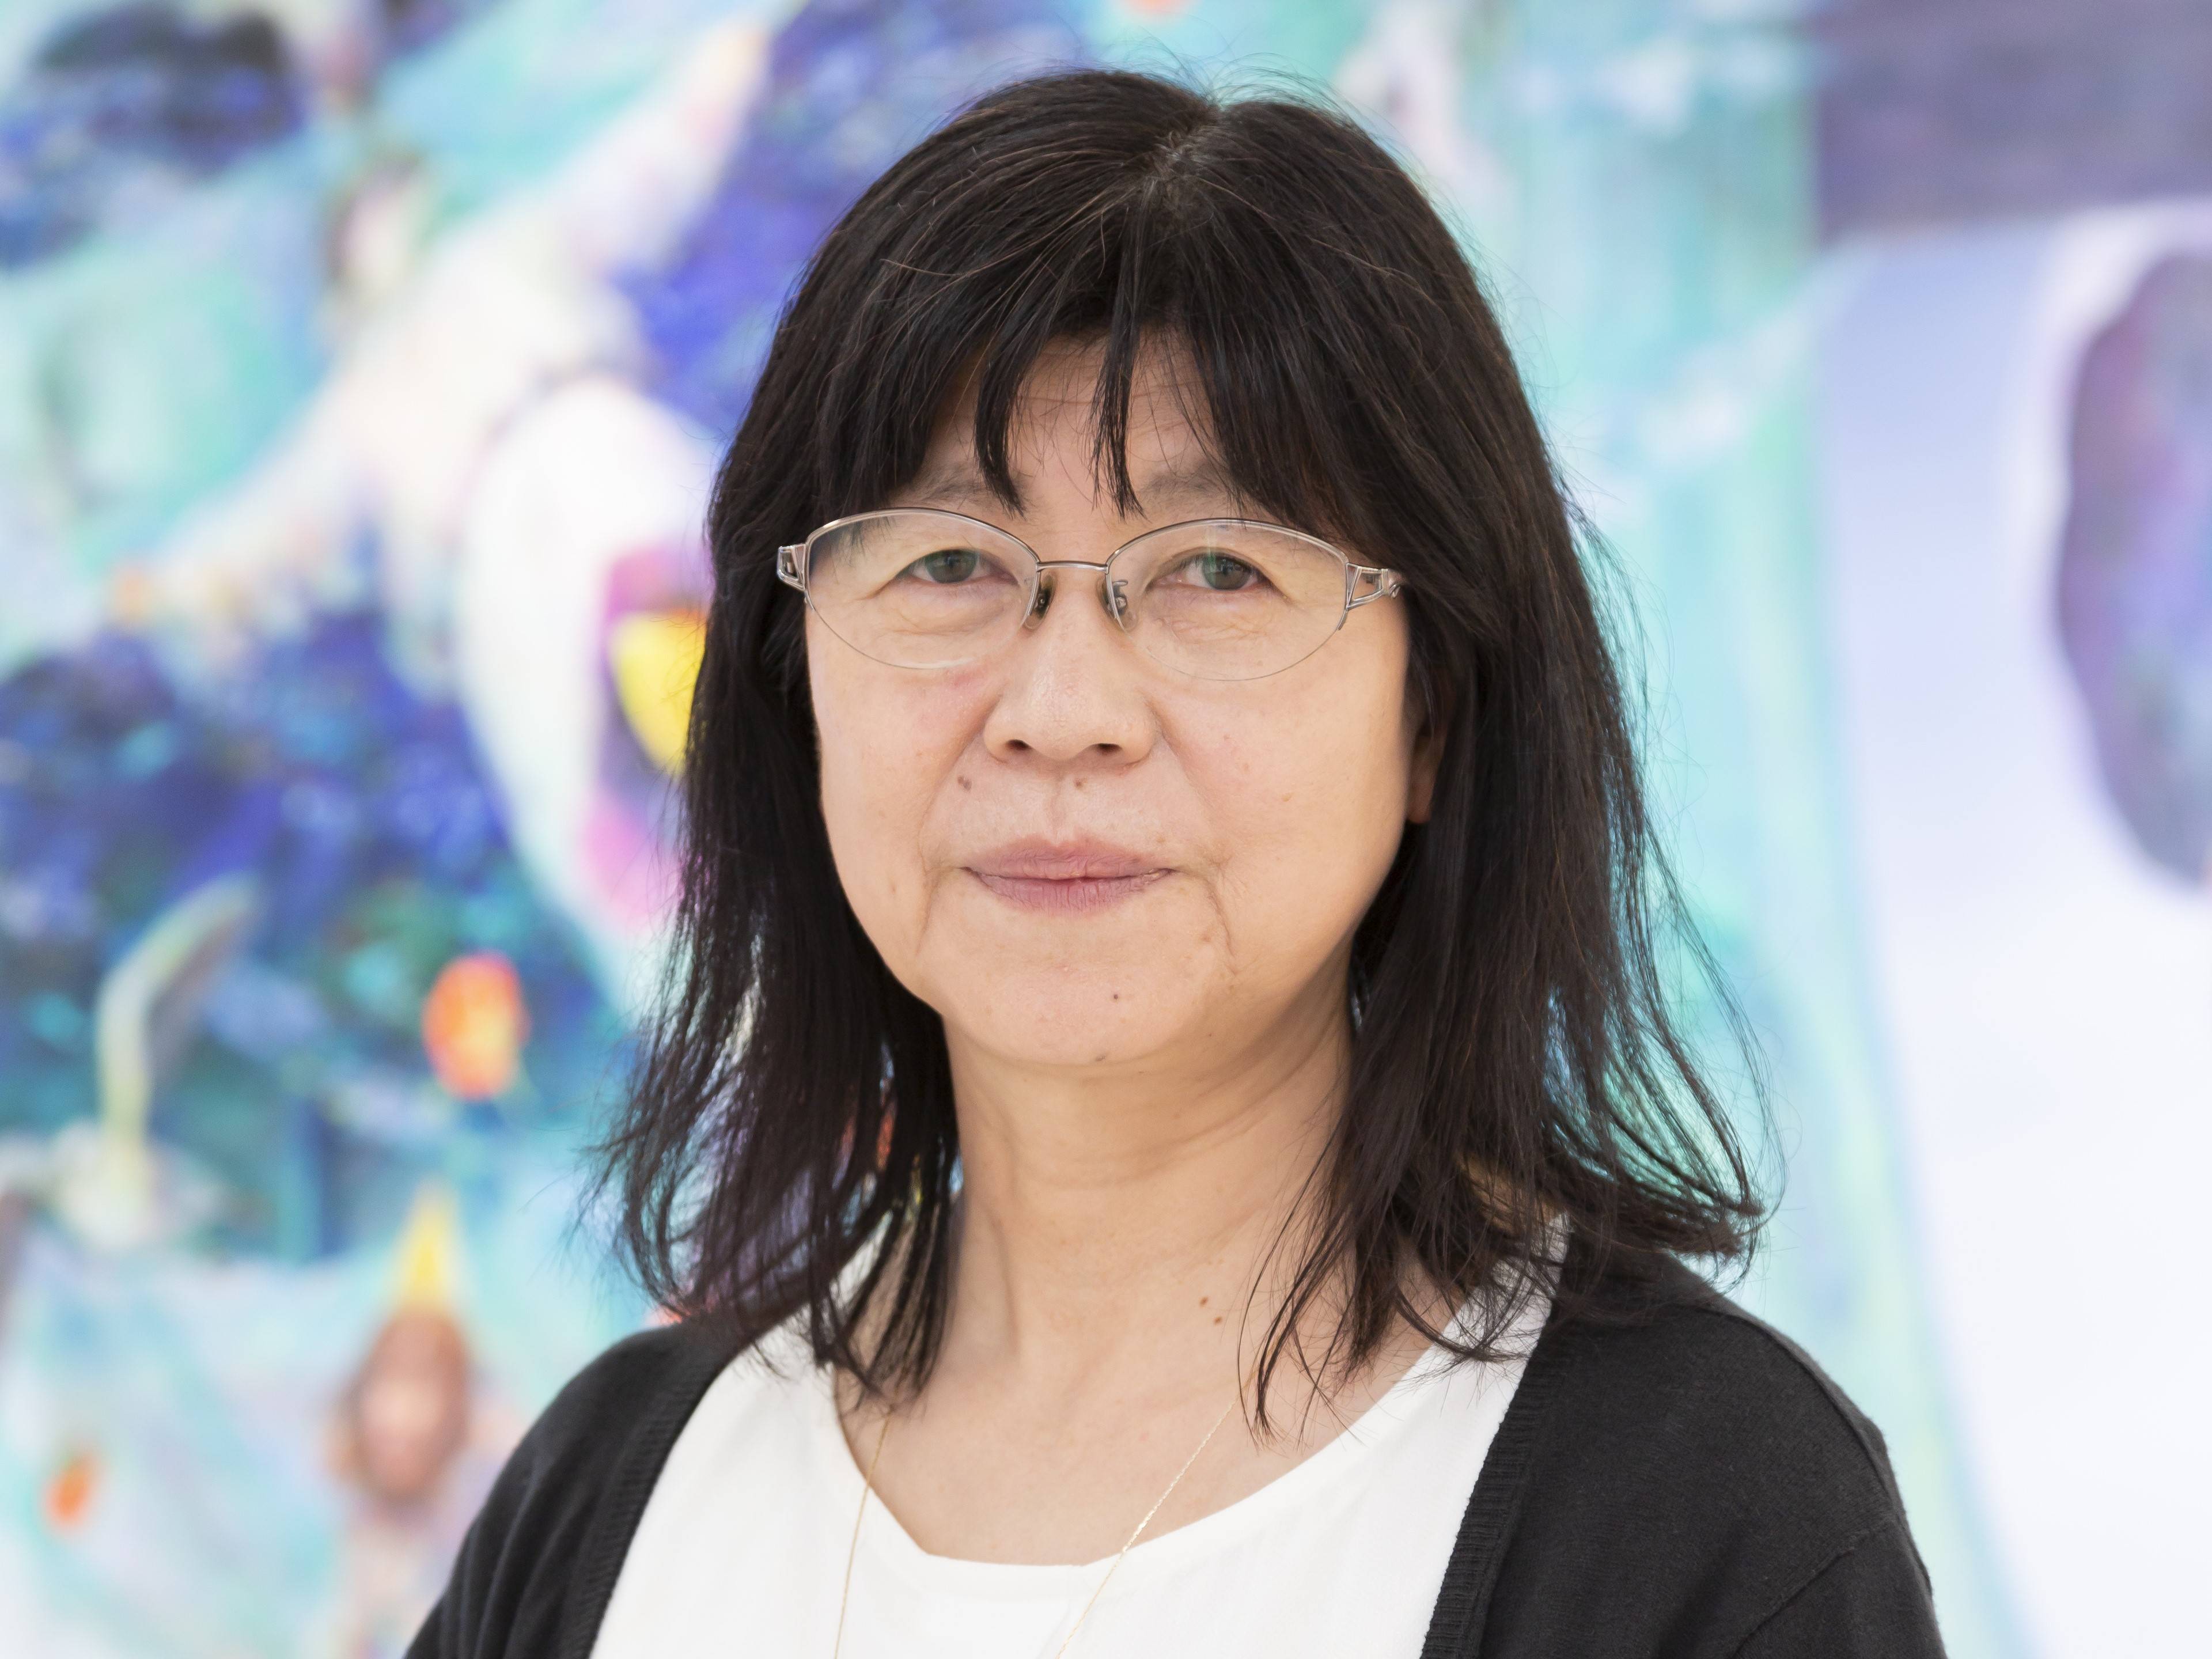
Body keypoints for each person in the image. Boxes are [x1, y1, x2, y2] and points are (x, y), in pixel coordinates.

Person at [406, 67, 1947, 1659]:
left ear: (1433, 711)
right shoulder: (606, 1503)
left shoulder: (1696, 1521)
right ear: (795, 680)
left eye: (1216, 569)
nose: (1061, 712)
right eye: (949, 561)